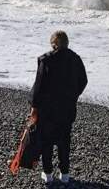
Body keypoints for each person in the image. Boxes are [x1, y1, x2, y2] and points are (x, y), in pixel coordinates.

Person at [29, 30, 88, 184]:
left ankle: (48, 175)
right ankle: (65, 174)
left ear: (53, 44)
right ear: (67, 44)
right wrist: (73, 96)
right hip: (67, 108)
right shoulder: (76, 59)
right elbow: (83, 81)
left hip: (47, 110)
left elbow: (38, 86)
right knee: (64, 141)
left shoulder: (46, 60)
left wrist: (34, 107)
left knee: (47, 142)